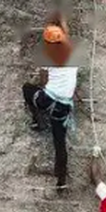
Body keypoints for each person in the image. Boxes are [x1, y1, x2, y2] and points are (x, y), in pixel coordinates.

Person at [22, 24, 77, 189]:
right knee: (59, 142)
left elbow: (43, 79)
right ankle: (61, 180)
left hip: (48, 99)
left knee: (27, 89)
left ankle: (37, 121)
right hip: (64, 106)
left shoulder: (48, 55)